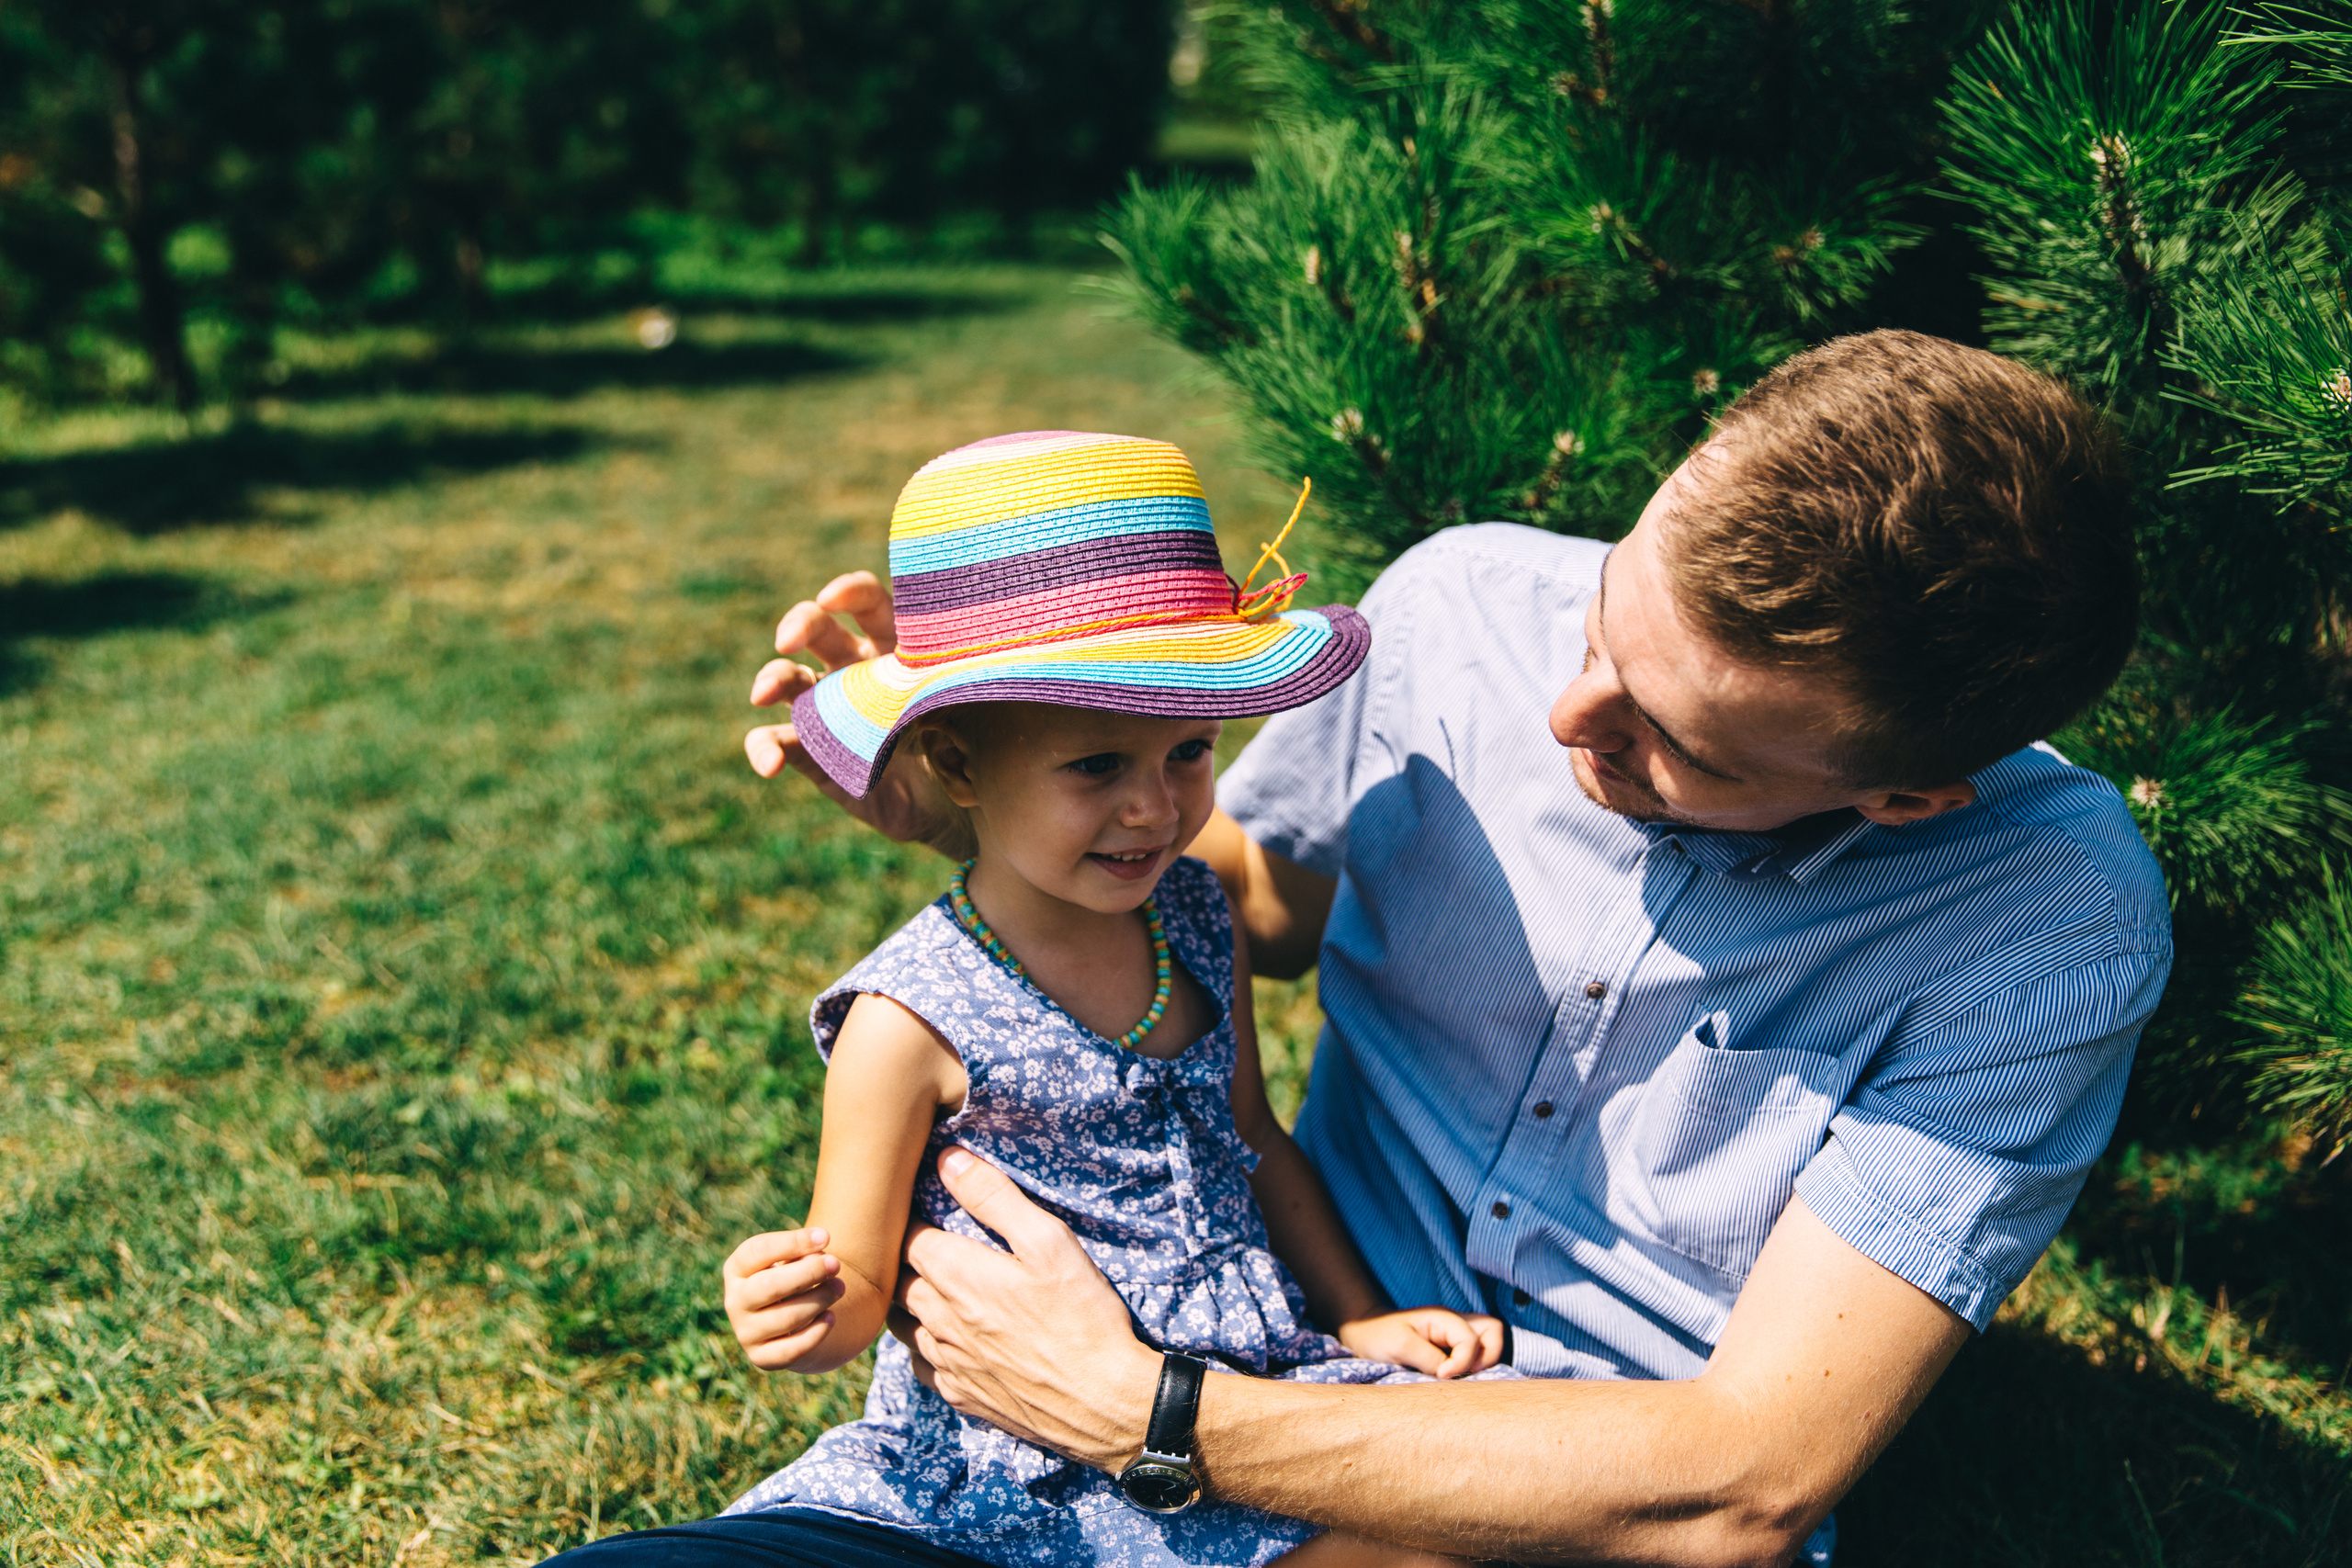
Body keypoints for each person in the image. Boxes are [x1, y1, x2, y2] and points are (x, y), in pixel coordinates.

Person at [579, 330, 2173, 1567]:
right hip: (1202, 1342)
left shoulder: (2046, 914)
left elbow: (1750, 1478)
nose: (1568, 718)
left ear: (1903, 794)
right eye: (1607, 624)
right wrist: (974, 777)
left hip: (1535, 1506)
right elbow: (1256, 910)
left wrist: (1145, 1411)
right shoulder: (1463, 607)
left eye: (1679, 743)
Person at [556, 431, 1519, 1568]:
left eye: (1187, 754)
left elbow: (1252, 1136)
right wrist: (804, 1308)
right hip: (1007, 1452)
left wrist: (1354, 1315)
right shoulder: (907, 1018)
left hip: (1236, 1400)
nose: (1154, 810)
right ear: (958, 770)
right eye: (1095, 768)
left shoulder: (1196, 916)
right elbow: (861, 1279)